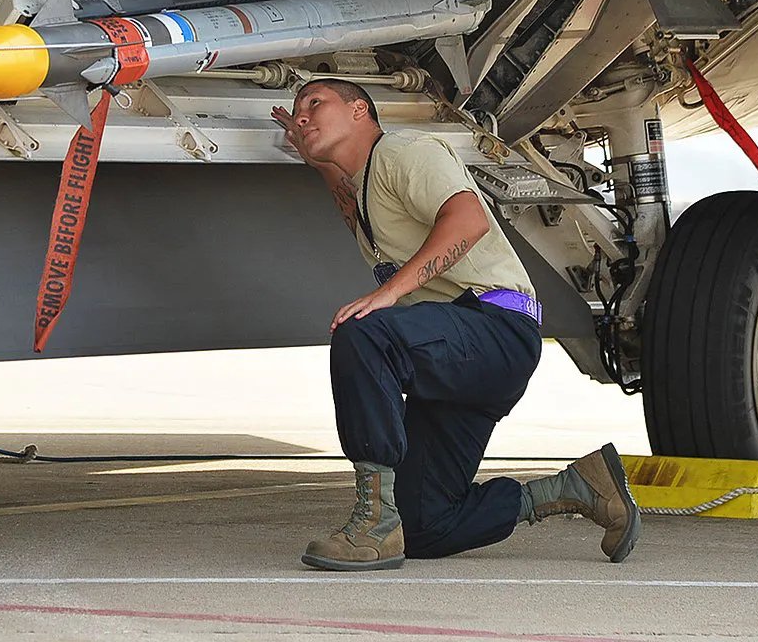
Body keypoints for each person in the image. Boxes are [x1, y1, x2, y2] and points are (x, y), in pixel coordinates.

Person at [272, 78, 640, 570]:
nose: (301, 115)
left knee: (363, 333)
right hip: (454, 352)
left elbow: (469, 221)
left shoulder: (404, 151)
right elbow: (351, 202)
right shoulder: (366, 189)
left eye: (315, 103)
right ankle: (576, 489)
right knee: (424, 526)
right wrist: (319, 163)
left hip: (493, 327)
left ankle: (374, 523)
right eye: (297, 110)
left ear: (360, 110)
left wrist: (389, 293)